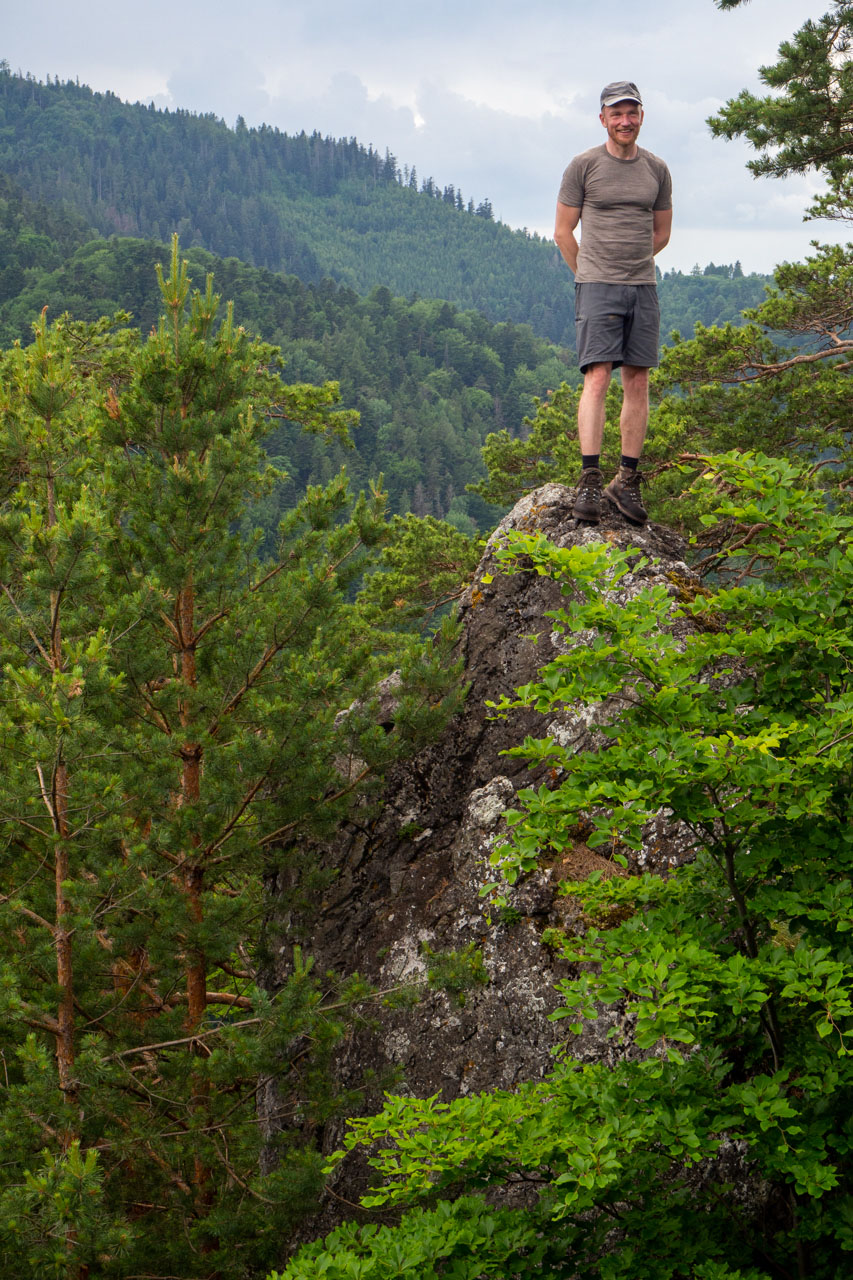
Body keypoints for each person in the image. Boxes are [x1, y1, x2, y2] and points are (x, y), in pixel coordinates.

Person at [554, 81, 672, 525]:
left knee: (638, 379)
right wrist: (589, 274)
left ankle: (626, 480)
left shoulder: (657, 170)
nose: (625, 121)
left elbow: (661, 233)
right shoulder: (583, 166)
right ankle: (588, 479)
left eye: (632, 113)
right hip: (597, 285)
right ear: (602, 118)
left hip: (642, 286)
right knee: (599, 376)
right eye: (616, 113)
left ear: (642, 116)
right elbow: (563, 232)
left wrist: (632, 264)